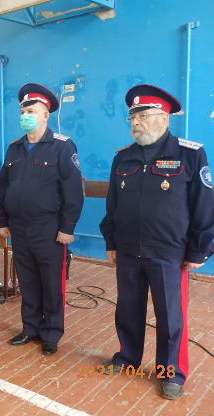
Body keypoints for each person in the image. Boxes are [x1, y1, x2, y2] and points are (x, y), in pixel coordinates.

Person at [99, 84, 214, 400]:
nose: (136, 122)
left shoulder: (190, 154)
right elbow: (113, 203)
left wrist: (199, 249)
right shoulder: (123, 157)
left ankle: (171, 371)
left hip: (169, 251)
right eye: (132, 117)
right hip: (128, 249)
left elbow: (204, 205)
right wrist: (111, 241)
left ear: (164, 118)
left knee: (170, 316)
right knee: (128, 309)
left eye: (143, 116)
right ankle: (127, 359)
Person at [0, 83, 84, 355]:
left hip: (49, 229)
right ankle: (30, 328)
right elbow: (4, 187)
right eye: (23, 111)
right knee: (28, 281)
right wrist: (3, 221)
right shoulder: (14, 148)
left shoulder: (62, 146)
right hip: (19, 228)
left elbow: (73, 191)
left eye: (31, 111)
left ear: (45, 115)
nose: (25, 115)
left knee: (51, 283)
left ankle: (51, 333)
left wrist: (67, 228)